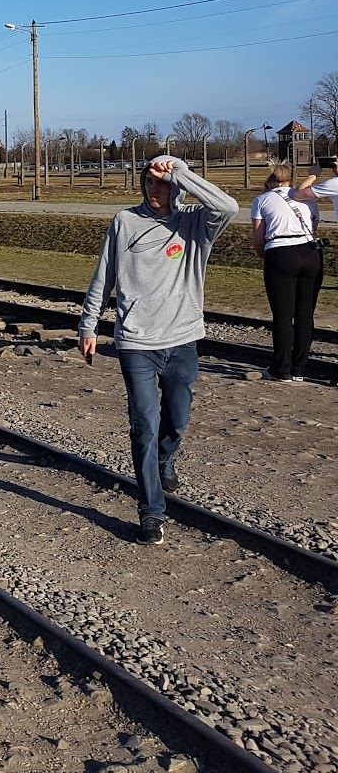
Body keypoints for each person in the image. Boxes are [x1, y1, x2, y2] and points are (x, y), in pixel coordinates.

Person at [78, 156, 239, 545]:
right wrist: (89, 325)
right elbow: (105, 275)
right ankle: (151, 512)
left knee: (177, 420)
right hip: (136, 343)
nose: (155, 189)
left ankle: (167, 459)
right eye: (149, 182)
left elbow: (230, 207)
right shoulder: (124, 222)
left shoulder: (195, 224)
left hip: (182, 341)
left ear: (177, 188)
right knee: (144, 426)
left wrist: (180, 172)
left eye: (162, 183)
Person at [251, 164, 322, 383]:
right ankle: (300, 368)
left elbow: (258, 239)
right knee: (305, 313)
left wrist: (266, 256)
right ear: (290, 180)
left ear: (269, 181)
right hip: (311, 254)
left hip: (280, 252)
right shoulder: (306, 197)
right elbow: (314, 228)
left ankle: (281, 368)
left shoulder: (262, 200)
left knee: (283, 314)